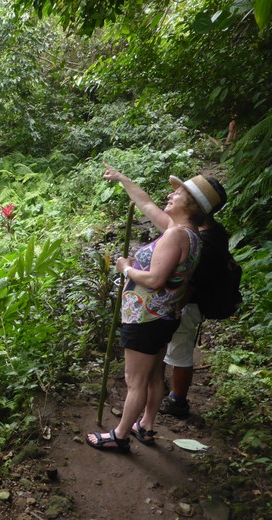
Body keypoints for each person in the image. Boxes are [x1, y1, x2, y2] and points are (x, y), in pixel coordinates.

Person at [86, 166, 226, 453]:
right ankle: (146, 427)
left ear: (192, 204)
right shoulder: (187, 233)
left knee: (134, 381)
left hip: (147, 317)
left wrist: (126, 268)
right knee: (151, 377)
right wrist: (124, 179)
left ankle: (120, 435)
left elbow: (154, 279)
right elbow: (147, 203)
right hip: (163, 316)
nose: (171, 195)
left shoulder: (176, 236)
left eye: (178, 193)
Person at [160, 180, 228, 417]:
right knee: (174, 345)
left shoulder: (206, 241)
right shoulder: (211, 232)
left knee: (180, 350)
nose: (172, 195)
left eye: (182, 194)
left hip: (189, 303)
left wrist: (175, 307)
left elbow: (193, 281)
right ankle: (162, 388)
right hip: (189, 301)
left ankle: (177, 400)